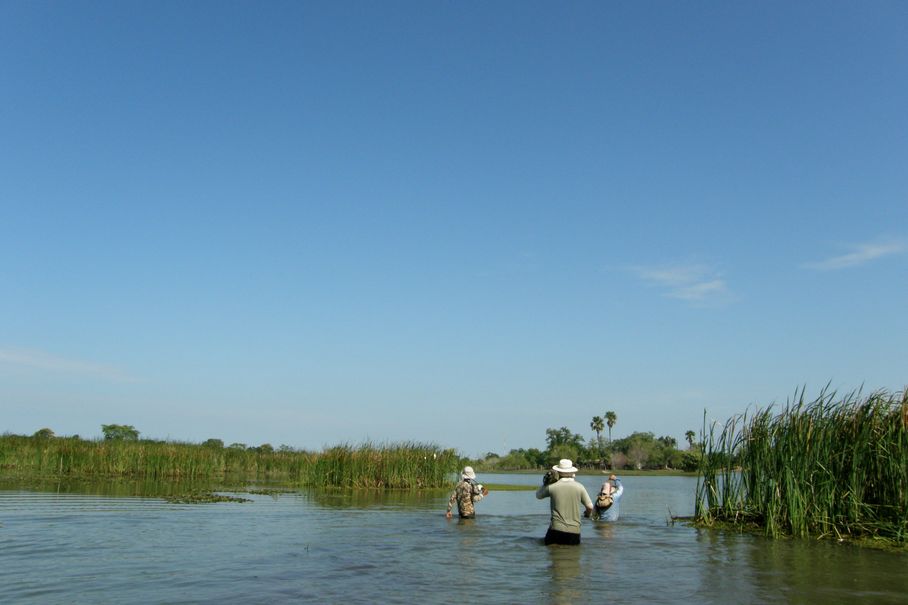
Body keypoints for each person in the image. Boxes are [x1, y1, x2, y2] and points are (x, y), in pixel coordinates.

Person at [535, 459, 594, 545]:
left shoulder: (552, 487)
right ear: (572, 473)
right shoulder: (580, 487)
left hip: (556, 529)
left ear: (558, 472)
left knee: (554, 555)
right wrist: (587, 514)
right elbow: (590, 507)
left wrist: (546, 483)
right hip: (574, 532)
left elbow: (538, 496)